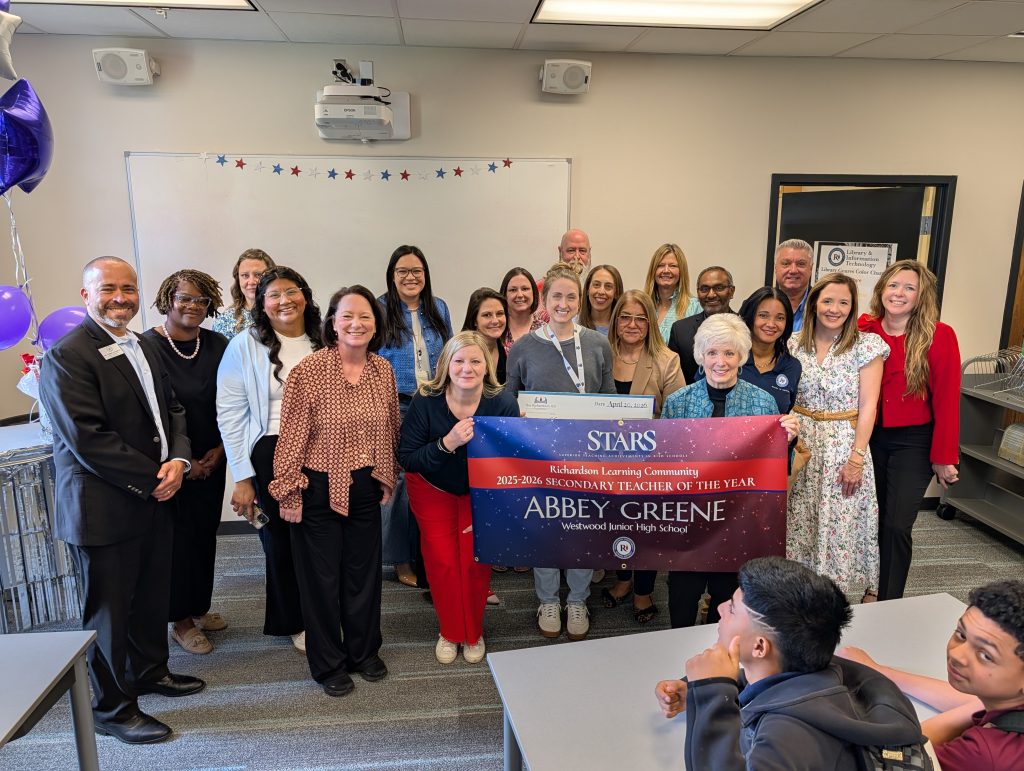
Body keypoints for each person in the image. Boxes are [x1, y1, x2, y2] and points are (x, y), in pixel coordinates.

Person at [40, 257, 203, 745]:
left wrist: (178, 460)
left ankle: (150, 672)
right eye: (108, 288)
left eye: (128, 288)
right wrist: (154, 477)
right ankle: (112, 707)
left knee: (151, 595)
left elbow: (172, 410)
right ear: (85, 293)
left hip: (155, 495)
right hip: (103, 505)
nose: (120, 297)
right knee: (109, 612)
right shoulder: (68, 355)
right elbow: (88, 439)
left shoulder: (143, 345)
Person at [654, 557, 927, 771]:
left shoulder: (788, 737)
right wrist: (697, 689)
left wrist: (711, 694)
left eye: (733, 607)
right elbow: (769, 682)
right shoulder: (814, 668)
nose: (720, 609)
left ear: (760, 646)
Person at [268, 285, 399, 697]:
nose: (356, 324)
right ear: (332, 323)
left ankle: (364, 652)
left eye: (365, 316)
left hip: (364, 486)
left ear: (375, 325)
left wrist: (385, 475)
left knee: (363, 576)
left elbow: (391, 427)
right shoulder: (308, 371)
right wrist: (288, 492)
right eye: (347, 316)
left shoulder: (383, 370)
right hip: (317, 488)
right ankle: (328, 664)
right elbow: (289, 437)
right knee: (321, 580)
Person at [662, 314, 798, 628]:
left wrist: (787, 441)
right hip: (690, 523)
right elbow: (663, 468)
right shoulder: (677, 403)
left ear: (741, 356)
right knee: (682, 600)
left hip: (737, 524)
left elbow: (777, 470)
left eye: (729, 353)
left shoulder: (763, 403)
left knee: (726, 607)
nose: (720, 361)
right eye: (712, 353)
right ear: (700, 356)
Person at [217, 266, 324, 654]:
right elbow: (229, 413)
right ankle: (295, 619)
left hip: (325, 450)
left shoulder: (325, 339)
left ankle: (325, 611)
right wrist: (242, 477)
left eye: (291, 291)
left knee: (320, 539)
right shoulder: (244, 345)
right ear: (261, 304)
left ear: (305, 295)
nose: (285, 301)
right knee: (280, 541)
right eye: (274, 295)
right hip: (271, 449)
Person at [506, 262, 615, 641]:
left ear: (579, 299)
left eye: (571, 296)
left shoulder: (599, 344)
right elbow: (509, 400)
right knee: (547, 527)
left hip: (589, 456)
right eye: (557, 296)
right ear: (544, 300)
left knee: (583, 527)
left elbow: (609, 399)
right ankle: (549, 598)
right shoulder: (524, 347)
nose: (564, 303)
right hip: (541, 457)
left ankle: (579, 599)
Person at [399, 332, 519, 665]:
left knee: (473, 561)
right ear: (446, 365)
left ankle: (473, 631)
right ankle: (450, 632)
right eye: (459, 360)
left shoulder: (502, 402)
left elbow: (511, 460)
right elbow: (408, 457)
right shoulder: (426, 399)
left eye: (475, 361)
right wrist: (447, 443)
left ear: (488, 365)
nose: (467, 368)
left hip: (481, 492)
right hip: (431, 487)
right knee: (443, 562)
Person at [839, 580, 1024, 771]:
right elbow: (972, 702)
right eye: (961, 635)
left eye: (985, 655)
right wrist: (878, 669)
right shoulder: (1009, 698)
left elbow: (902, 757)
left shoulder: (979, 754)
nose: (957, 655)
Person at [859, 260, 961, 600]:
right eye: (893, 285)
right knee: (869, 520)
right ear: (881, 290)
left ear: (921, 297)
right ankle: (870, 587)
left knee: (897, 525)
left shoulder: (939, 335)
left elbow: (947, 399)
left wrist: (943, 457)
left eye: (909, 288)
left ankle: (888, 601)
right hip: (868, 437)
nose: (899, 293)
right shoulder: (863, 328)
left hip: (913, 441)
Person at [142, 270, 229, 656]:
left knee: (202, 533)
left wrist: (222, 450)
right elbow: (146, 411)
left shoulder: (218, 345)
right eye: (184, 298)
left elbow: (233, 401)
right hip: (169, 462)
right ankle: (179, 620)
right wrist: (183, 459)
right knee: (174, 540)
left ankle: (197, 606)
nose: (193, 306)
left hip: (213, 455)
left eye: (201, 300)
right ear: (167, 299)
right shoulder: (145, 346)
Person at [787, 273, 888, 601]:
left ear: (852, 306)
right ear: (814, 301)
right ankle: (800, 590)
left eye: (843, 302)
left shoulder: (866, 345)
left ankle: (835, 595)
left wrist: (857, 457)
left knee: (839, 519)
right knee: (800, 517)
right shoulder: (793, 342)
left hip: (843, 444)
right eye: (827, 300)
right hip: (802, 444)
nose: (834, 308)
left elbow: (868, 405)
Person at [600, 289, 686, 623]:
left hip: (650, 461)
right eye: (625, 316)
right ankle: (622, 581)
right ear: (615, 319)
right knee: (612, 524)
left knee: (646, 528)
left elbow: (677, 412)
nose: (632, 324)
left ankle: (643, 591)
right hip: (604, 460)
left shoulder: (667, 359)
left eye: (640, 318)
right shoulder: (599, 353)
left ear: (650, 323)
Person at [378, 245, 454, 589]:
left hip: (434, 404)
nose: (410, 278)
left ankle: (428, 554)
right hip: (397, 405)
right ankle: (400, 559)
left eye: (417, 271)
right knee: (398, 485)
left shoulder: (438, 308)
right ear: (392, 276)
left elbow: (451, 354)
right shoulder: (379, 309)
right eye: (402, 271)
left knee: (431, 481)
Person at [737, 286, 801, 415]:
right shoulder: (729, 357)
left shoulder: (792, 366)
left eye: (780, 318)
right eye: (763, 315)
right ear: (750, 317)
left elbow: (786, 413)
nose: (771, 324)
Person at [667, 266, 737, 383]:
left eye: (718, 288)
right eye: (704, 289)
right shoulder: (680, 330)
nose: (711, 295)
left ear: (732, 291)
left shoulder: (746, 328)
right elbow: (672, 378)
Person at [644, 243, 701, 343]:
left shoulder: (695, 307)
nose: (666, 270)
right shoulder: (643, 306)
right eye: (660, 265)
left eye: (673, 266)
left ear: (681, 271)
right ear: (653, 270)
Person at [212, 248, 275, 339]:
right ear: (238, 279)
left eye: (258, 275)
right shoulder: (225, 320)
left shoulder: (283, 313)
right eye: (245, 275)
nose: (251, 281)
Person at [461, 287, 509, 383]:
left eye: (500, 314)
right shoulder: (461, 351)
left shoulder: (502, 348)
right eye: (487, 315)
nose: (495, 321)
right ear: (474, 320)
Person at [773, 238, 813, 332]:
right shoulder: (756, 305)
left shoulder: (825, 307)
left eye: (801, 264)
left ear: (811, 269)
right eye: (786, 263)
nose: (793, 270)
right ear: (775, 268)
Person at [500, 266, 542, 352]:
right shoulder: (497, 329)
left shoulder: (546, 331)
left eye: (525, 289)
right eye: (513, 290)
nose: (519, 295)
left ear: (533, 293)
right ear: (504, 294)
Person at [577, 264, 623, 335]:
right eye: (596, 285)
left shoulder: (623, 329)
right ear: (587, 289)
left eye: (608, 286)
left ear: (616, 293)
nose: (601, 292)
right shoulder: (572, 324)